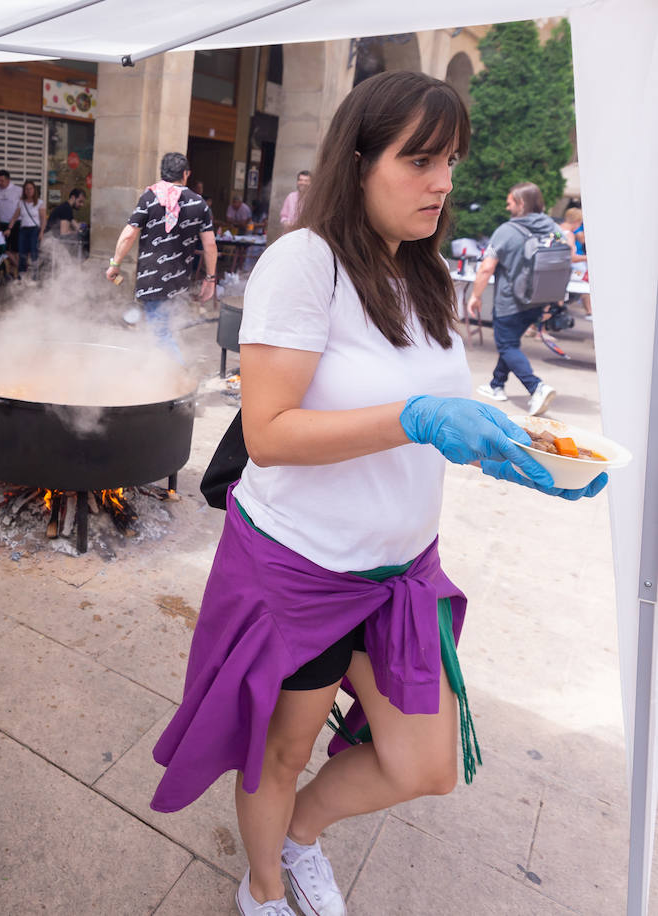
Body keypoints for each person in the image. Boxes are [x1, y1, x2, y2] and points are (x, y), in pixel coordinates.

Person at [150, 71, 607, 916]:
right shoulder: (305, 262)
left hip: (400, 570)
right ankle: (262, 888)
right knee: (280, 753)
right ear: (359, 161)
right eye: (421, 159)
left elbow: (428, 418)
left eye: (452, 161)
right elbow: (274, 430)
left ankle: (300, 837)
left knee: (424, 764)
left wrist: (497, 448)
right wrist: (418, 417)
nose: (443, 181)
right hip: (300, 567)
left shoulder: (423, 275)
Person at [468, 182, 564, 416]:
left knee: (507, 345)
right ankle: (496, 385)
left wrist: (475, 296)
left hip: (510, 301)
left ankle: (536, 387)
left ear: (521, 203)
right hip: (540, 299)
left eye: (510, 200)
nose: (506, 204)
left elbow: (486, 268)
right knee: (509, 343)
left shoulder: (506, 231)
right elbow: (564, 257)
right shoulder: (552, 227)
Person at [106, 153, 217, 352]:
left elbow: (128, 235)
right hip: (181, 281)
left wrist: (115, 264)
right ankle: (159, 374)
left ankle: (179, 375)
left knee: (160, 333)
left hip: (153, 278)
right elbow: (210, 245)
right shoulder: (199, 203)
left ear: (162, 173)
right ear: (186, 174)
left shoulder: (150, 197)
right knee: (165, 329)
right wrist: (210, 278)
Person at [557, 205, 591, 319]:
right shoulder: (569, 235)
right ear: (577, 222)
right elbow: (571, 257)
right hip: (563, 272)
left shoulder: (556, 229)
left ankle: (537, 329)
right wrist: (588, 258)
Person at [12, 179, 46, 278]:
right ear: (24, 191)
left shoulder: (40, 202)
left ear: (34, 190)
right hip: (23, 230)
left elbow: (43, 219)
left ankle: (35, 276)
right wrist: (9, 228)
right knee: (22, 253)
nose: (28, 191)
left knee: (34, 253)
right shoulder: (21, 203)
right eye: (26, 189)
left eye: (30, 188)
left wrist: (42, 232)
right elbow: (15, 217)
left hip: (34, 230)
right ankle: (21, 276)